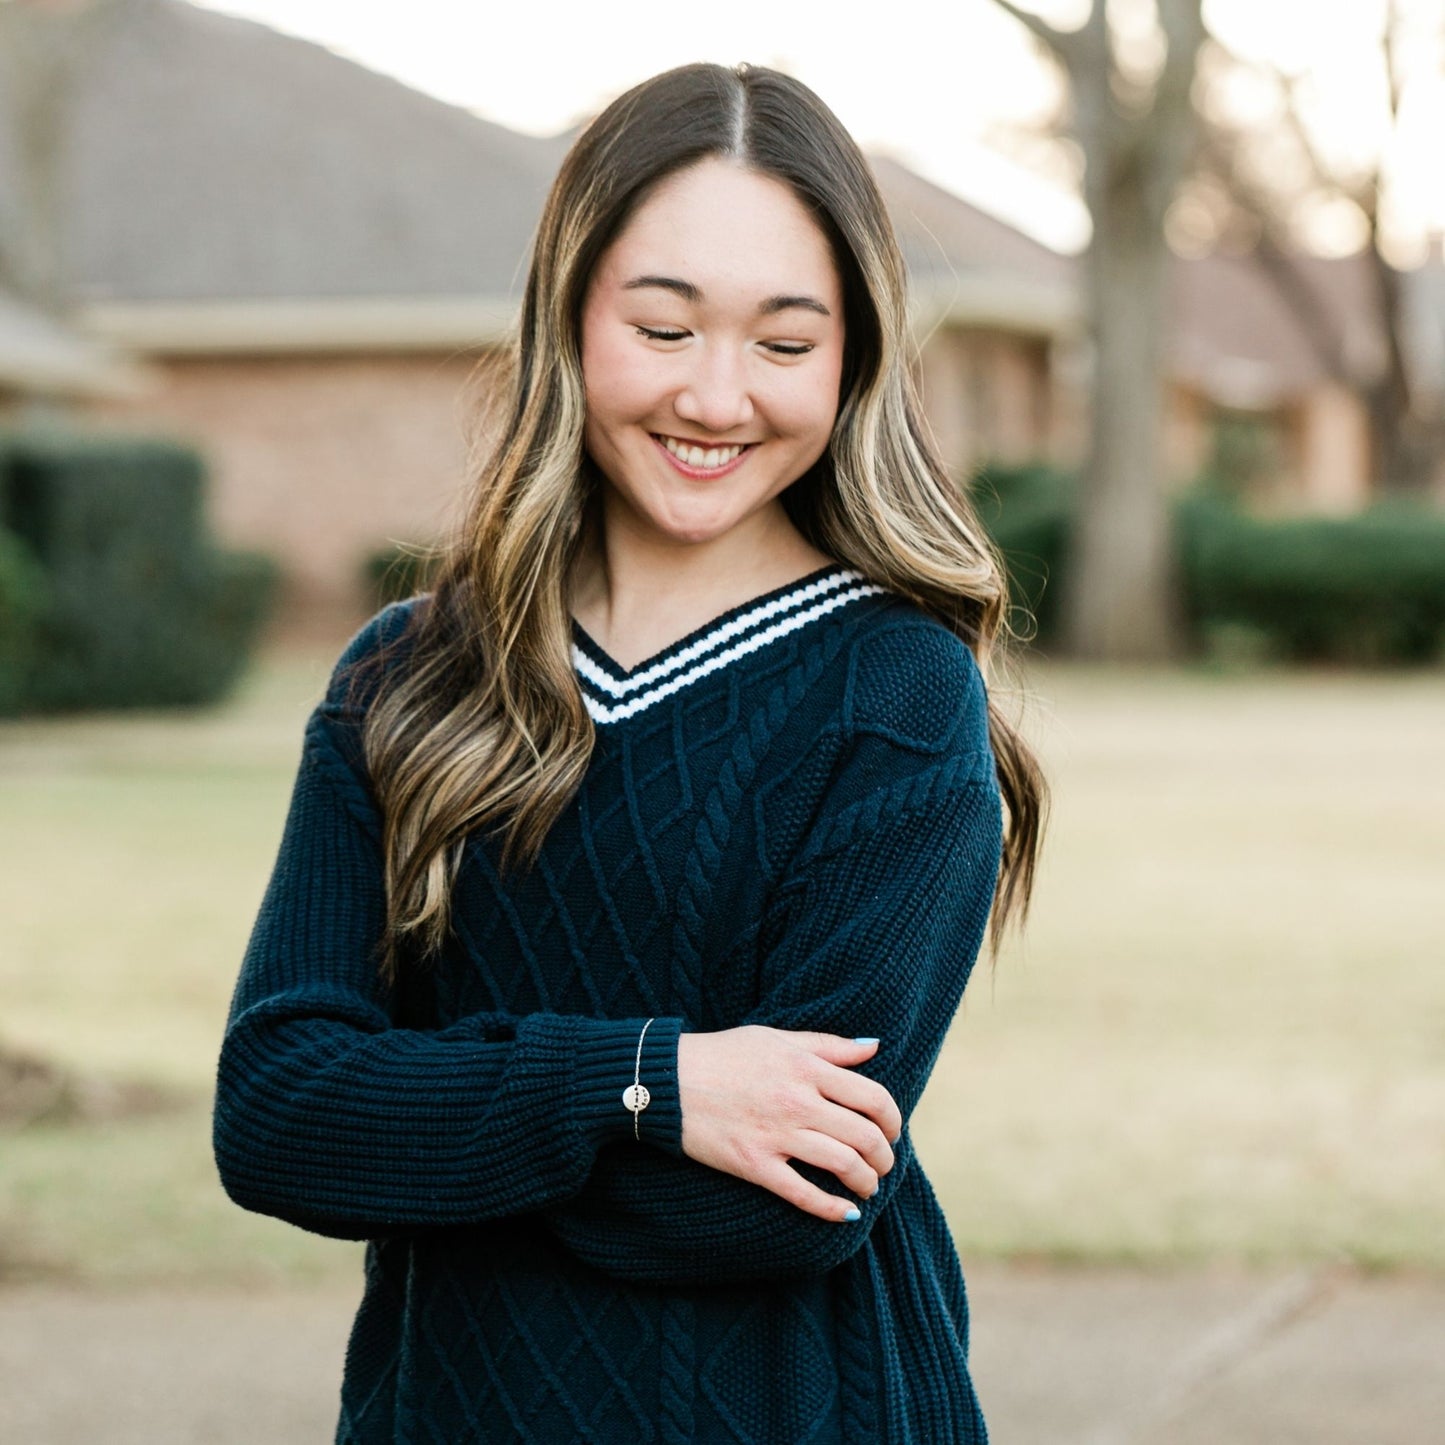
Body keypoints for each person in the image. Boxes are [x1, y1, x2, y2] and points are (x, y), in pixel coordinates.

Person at [213, 60, 1046, 1445]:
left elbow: (775, 1200)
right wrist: (652, 1081)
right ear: (570, 319)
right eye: (662, 327)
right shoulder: (409, 674)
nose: (717, 397)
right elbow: (284, 1113)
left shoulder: (892, 691)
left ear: (851, 363)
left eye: (784, 345)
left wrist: (435, 1127)